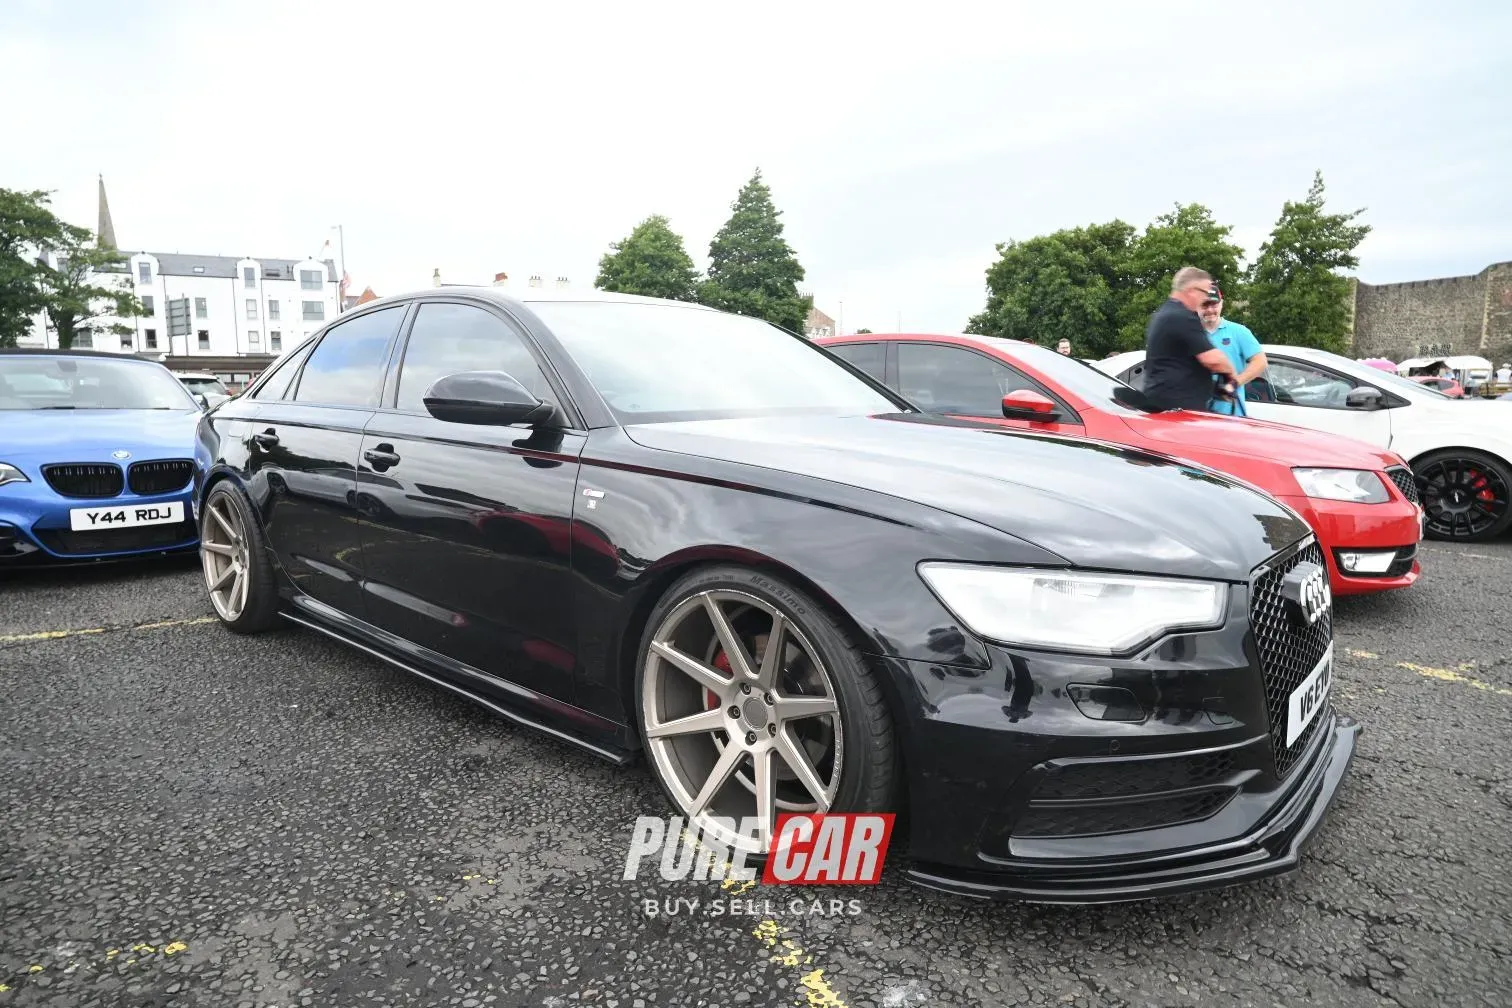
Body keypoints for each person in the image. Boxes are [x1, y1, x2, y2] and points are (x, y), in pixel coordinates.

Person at [1142, 267, 1238, 412]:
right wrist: (1231, 374)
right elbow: (1213, 360)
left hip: (1165, 406)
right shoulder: (1183, 317)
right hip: (1179, 411)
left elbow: (1180, 366)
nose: (1205, 298)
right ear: (1192, 291)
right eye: (1205, 293)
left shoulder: (1163, 314)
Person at [1197, 284, 1267, 415]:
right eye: (1205, 305)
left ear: (1221, 303)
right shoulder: (1191, 334)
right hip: (1198, 416)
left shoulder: (1239, 331)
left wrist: (1234, 383)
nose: (1210, 310)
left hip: (1232, 416)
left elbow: (1260, 361)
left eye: (1214, 304)